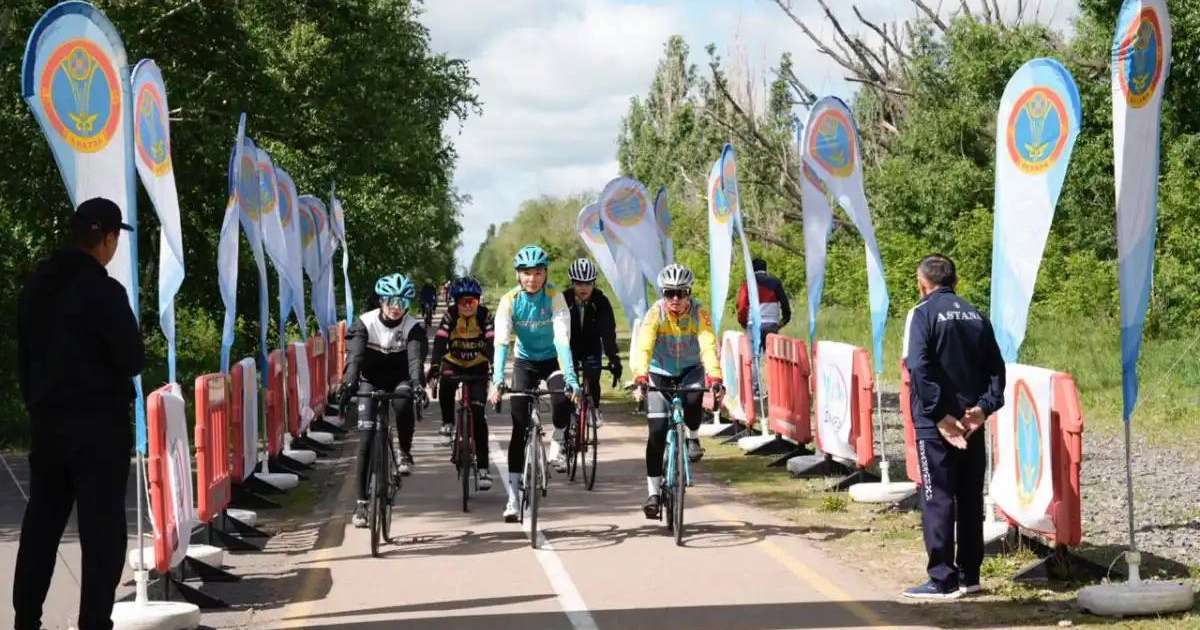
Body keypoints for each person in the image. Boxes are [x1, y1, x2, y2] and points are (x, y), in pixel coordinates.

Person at [14, 197, 144, 630]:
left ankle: (26, 619)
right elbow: (131, 358)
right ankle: (93, 622)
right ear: (106, 238)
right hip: (99, 427)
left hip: (48, 424)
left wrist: (37, 402)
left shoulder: (36, 287)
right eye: (113, 241)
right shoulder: (105, 291)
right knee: (101, 531)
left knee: (42, 525)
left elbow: (24, 356)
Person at [903, 254, 1005, 600]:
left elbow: (918, 367)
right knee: (970, 497)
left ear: (922, 283)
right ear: (955, 281)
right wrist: (984, 408)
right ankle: (970, 575)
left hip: (938, 426)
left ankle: (942, 579)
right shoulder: (977, 314)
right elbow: (996, 368)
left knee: (937, 498)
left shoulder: (921, 314)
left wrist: (938, 414)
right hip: (971, 422)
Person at [487, 245, 580, 522]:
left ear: (545, 273)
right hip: (525, 362)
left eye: (538, 273)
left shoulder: (555, 297)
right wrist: (497, 381)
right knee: (519, 426)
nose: (532, 279)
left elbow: (563, 340)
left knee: (562, 400)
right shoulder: (509, 300)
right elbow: (501, 342)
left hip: (552, 360)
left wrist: (571, 378)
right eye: (526, 273)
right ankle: (513, 498)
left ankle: (559, 437)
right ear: (518, 275)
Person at [631, 263, 724, 520]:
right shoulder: (655, 314)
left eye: (681, 293)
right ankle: (652, 493)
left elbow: (707, 345)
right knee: (657, 433)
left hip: (690, 370)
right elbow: (645, 346)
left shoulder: (699, 314)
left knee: (694, 398)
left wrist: (715, 375)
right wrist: (640, 375)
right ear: (662, 293)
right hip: (659, 372)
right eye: (669, 293)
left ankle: (693, 437)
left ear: (689, 293)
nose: (675, 299)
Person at [340, 273, 427, 528]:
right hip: (370, 380)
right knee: (365, 438)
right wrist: (348, 384)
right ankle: (361, 504)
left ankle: (404, 452)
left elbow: (415, 361)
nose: (397, 307)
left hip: (399, 378)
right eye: (391, 301)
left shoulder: (413, 327)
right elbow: (354, 359)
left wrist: (418, 384)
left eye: (403, 302)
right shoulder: (364, 323)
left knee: (403, 402)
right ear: (381, 300)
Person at [428, 276, 495, 490]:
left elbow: (492, 341)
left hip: (478, 364)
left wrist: (494, 366)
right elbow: (439, 341)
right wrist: (435, 366)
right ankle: (447, 423)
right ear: (456, 302)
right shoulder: (450, 315)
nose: (467, 306)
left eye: (472, 302)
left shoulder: (485, 315)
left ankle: (484, 469)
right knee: (446, 382)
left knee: (478, 415)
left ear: (478, 301)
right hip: (454, 361)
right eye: (463, 302)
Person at [562, 258, 622, 448]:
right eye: (579, 283)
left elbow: (608, 333)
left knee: (593, 374)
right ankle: (568, 421)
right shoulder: (563, 300)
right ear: (572, 283)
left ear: (594, 283)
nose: (583, 288)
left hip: (591, 345)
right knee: (567, 383)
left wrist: (614, 359)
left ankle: (594, 408)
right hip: (568, 345)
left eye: (588, 283)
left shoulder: (601, 301)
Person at [736, 257, 791, 347]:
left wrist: (743, 322)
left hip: (753, 325)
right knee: (771, 357)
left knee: (754, 357)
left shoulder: (747, 284)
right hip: (771, 325)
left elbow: (742, 306)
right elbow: (785, 304)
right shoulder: (776, 282)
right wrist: (783, 321)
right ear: (765, 269)